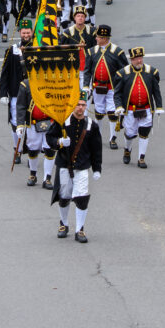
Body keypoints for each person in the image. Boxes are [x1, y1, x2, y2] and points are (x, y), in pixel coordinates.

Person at [46, 96, 103, 243]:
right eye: (78, 105)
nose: (80, 108)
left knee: (82, 197)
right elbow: (49, 137)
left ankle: (80, 229)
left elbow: (96, 149)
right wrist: (59, 142)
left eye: (83, 105)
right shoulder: (62, 121)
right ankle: (63, 224)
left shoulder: (92, 125)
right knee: (64, 196)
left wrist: (97, 168)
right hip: (65, 166)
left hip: (82, 167)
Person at [113, 47, 163, 168]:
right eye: (136, 59)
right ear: (131, 60)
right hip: (130, 110)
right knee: (130, 134)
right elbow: (117, 93)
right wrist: (119, 106)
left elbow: (156, 91)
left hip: (146, 109)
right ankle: (127, 149)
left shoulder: (151, 72)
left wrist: (159, 106)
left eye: (141, 58)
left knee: (144, 133)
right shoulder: (123, 73)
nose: (139, 61)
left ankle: (141, 158)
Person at [83, 24, 128, 146]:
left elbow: (125, 70)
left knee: (112, 112)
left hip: (112, 87)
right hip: (97, 87)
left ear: (104, 38)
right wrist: (86, 86)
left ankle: (113, 137)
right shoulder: (92, 51)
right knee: (99, 111)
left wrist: (123, 86)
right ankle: (99, 136)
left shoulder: (117, 52)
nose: (96, 39)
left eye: (98, 37)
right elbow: (87, 70)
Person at [0, 18, 33, 161]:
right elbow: (5, 73)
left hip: (33, 92)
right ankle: (17, 149)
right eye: (24, 32)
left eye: (28, 32)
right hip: (15, 92)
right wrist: (3, 93)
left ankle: (32, 148)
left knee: (32, 121)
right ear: (20, 32)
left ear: (32, 32)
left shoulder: (38, 48)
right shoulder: (11, 50)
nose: (26, 35)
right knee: (15, 121)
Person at [15, 76, 57, 189]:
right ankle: (33, 174)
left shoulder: (53, 83)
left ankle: (47, 178)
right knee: (33, 150)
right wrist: (20, 125)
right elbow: (21, 106)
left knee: (50, 149)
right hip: (33, 124)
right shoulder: (26, 84)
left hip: (50, 123)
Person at [61, 5, 96, 89]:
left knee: (87, 88)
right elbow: (62, 48)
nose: (80, 18)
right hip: (73, 65)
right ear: (74, 18)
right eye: (78, 16)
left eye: (82, 16)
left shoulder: (92, 31)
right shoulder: (68, 32)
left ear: (85, 18)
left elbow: (95, 48)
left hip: (87, 64)